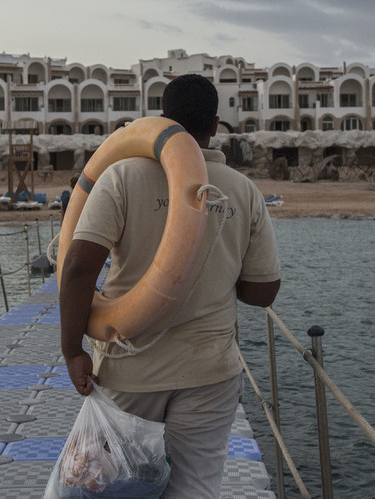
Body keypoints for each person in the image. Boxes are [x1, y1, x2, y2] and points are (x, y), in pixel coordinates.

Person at [59, 74, 281, 498]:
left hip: (129, 369)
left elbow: (77, 268)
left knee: (114, 486)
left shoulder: (122, 176)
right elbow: (262, 292)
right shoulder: (242, 191)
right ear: (215, 126)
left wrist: (72, 350)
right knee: (195, 488)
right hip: (209, 373)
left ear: (160, 120)